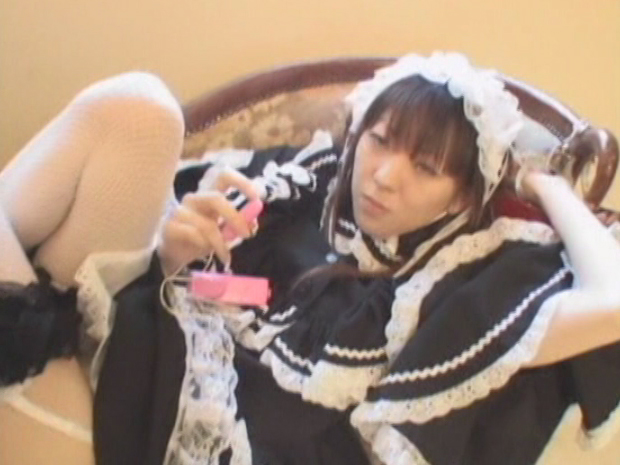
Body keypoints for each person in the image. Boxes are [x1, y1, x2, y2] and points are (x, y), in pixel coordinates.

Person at [0, 52, 619, 465]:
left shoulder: (463, 288)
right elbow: (174, 286)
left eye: (425, 167)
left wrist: (542, 183)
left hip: (139, 430)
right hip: (118, 349)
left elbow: (613, 303)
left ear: (461, 195)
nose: (383, 176)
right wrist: (173, 256)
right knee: (141, 108)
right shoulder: (305, 189)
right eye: (380, 140)